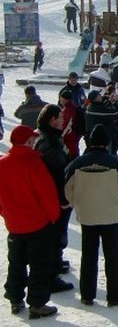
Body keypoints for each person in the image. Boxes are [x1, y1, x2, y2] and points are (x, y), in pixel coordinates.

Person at [64, 124, 118, 307]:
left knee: (88, 256)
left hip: (87, 215)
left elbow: (67, 189)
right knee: (112, 257)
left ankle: (87, 294)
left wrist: (77, 203)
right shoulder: (115, 163)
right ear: (106, 143)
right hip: (110, 215)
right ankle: (115, 295)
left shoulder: (78, 163)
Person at [0, 125, 60, 319]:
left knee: (16, 262)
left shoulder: (2, 164)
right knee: (39, 264)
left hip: (15, 223)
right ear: (26, 142)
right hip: (37, 223)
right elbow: (47, 194)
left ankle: (15, 298)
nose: (35, 143)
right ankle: (37, 303)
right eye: (32, 141)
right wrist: (53, 216)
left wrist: (6, 213)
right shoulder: (34, 163)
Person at [34, 105, 74, 293]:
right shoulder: (48, 141)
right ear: (51, 120)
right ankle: (52, 275)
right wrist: (63, 198)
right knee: (55, 234)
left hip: (53, 195)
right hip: (54, 196)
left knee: (58, 234)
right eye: (60, 117)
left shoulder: (48, 137)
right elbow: (57, 170)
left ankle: (56, 263)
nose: (63, 120)